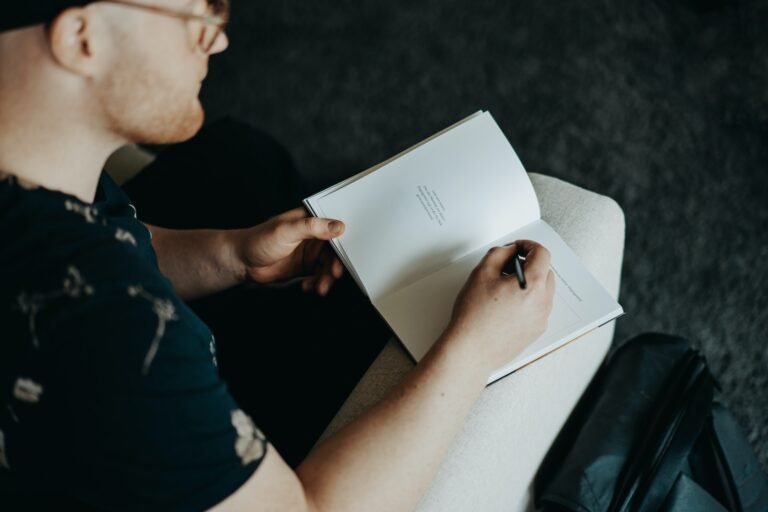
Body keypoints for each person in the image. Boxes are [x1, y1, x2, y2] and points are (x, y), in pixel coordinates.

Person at [0, 1, 555, 510]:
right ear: (81, 36)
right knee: (361, 328)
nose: (217, 40)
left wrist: (232, 256)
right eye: (199, 12)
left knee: (245, 157)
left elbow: (110, 236)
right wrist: (473, 350)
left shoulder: (35, 155)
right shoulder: (113, 334)